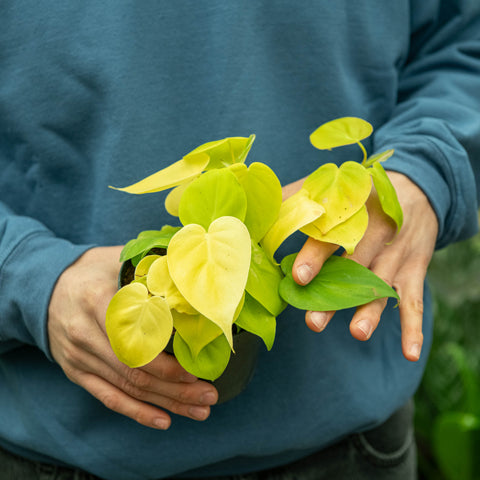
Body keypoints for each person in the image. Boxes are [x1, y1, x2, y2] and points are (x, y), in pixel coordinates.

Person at [0, 2, 479, 479]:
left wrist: (425, 167)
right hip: (61, 454)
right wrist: (25, 270)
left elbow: (464, 37)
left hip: (353, 447)